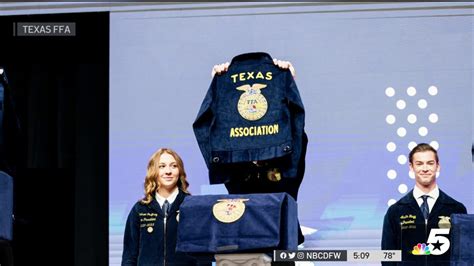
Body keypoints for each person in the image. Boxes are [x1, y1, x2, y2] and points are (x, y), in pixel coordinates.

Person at [381, 143, 467, 266]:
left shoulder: (456, 209)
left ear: (438, 166)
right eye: (419, 163)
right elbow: (388, 257)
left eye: (430, 163)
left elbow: (463, 257)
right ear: (411, 167)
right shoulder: (395, 211)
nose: (425, 168)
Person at [122, 148, 209, 266]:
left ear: (180, 171)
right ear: (154, 171)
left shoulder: (193, 207)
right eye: (162, 166)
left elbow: (203, 254)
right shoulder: (139, 209)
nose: (168, 171)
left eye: (173, 166)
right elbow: (129, 255)